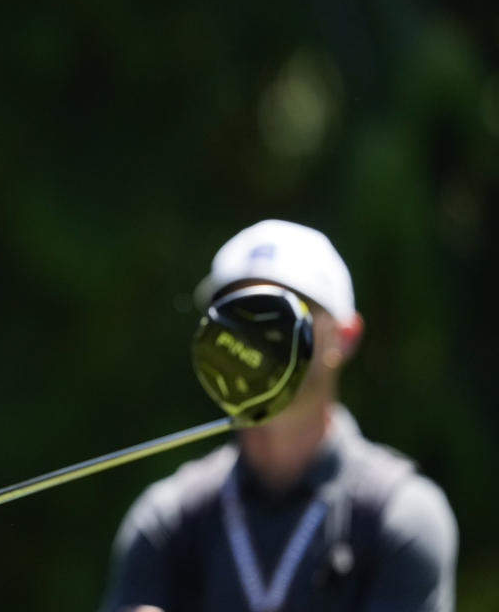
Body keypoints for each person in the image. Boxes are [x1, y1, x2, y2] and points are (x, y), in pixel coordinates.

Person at [100, 220, 458, 612]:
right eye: (235, 314)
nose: (255, 335)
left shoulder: (401, 515)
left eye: (284, 312)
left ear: (346, 335)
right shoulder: (167, 519)